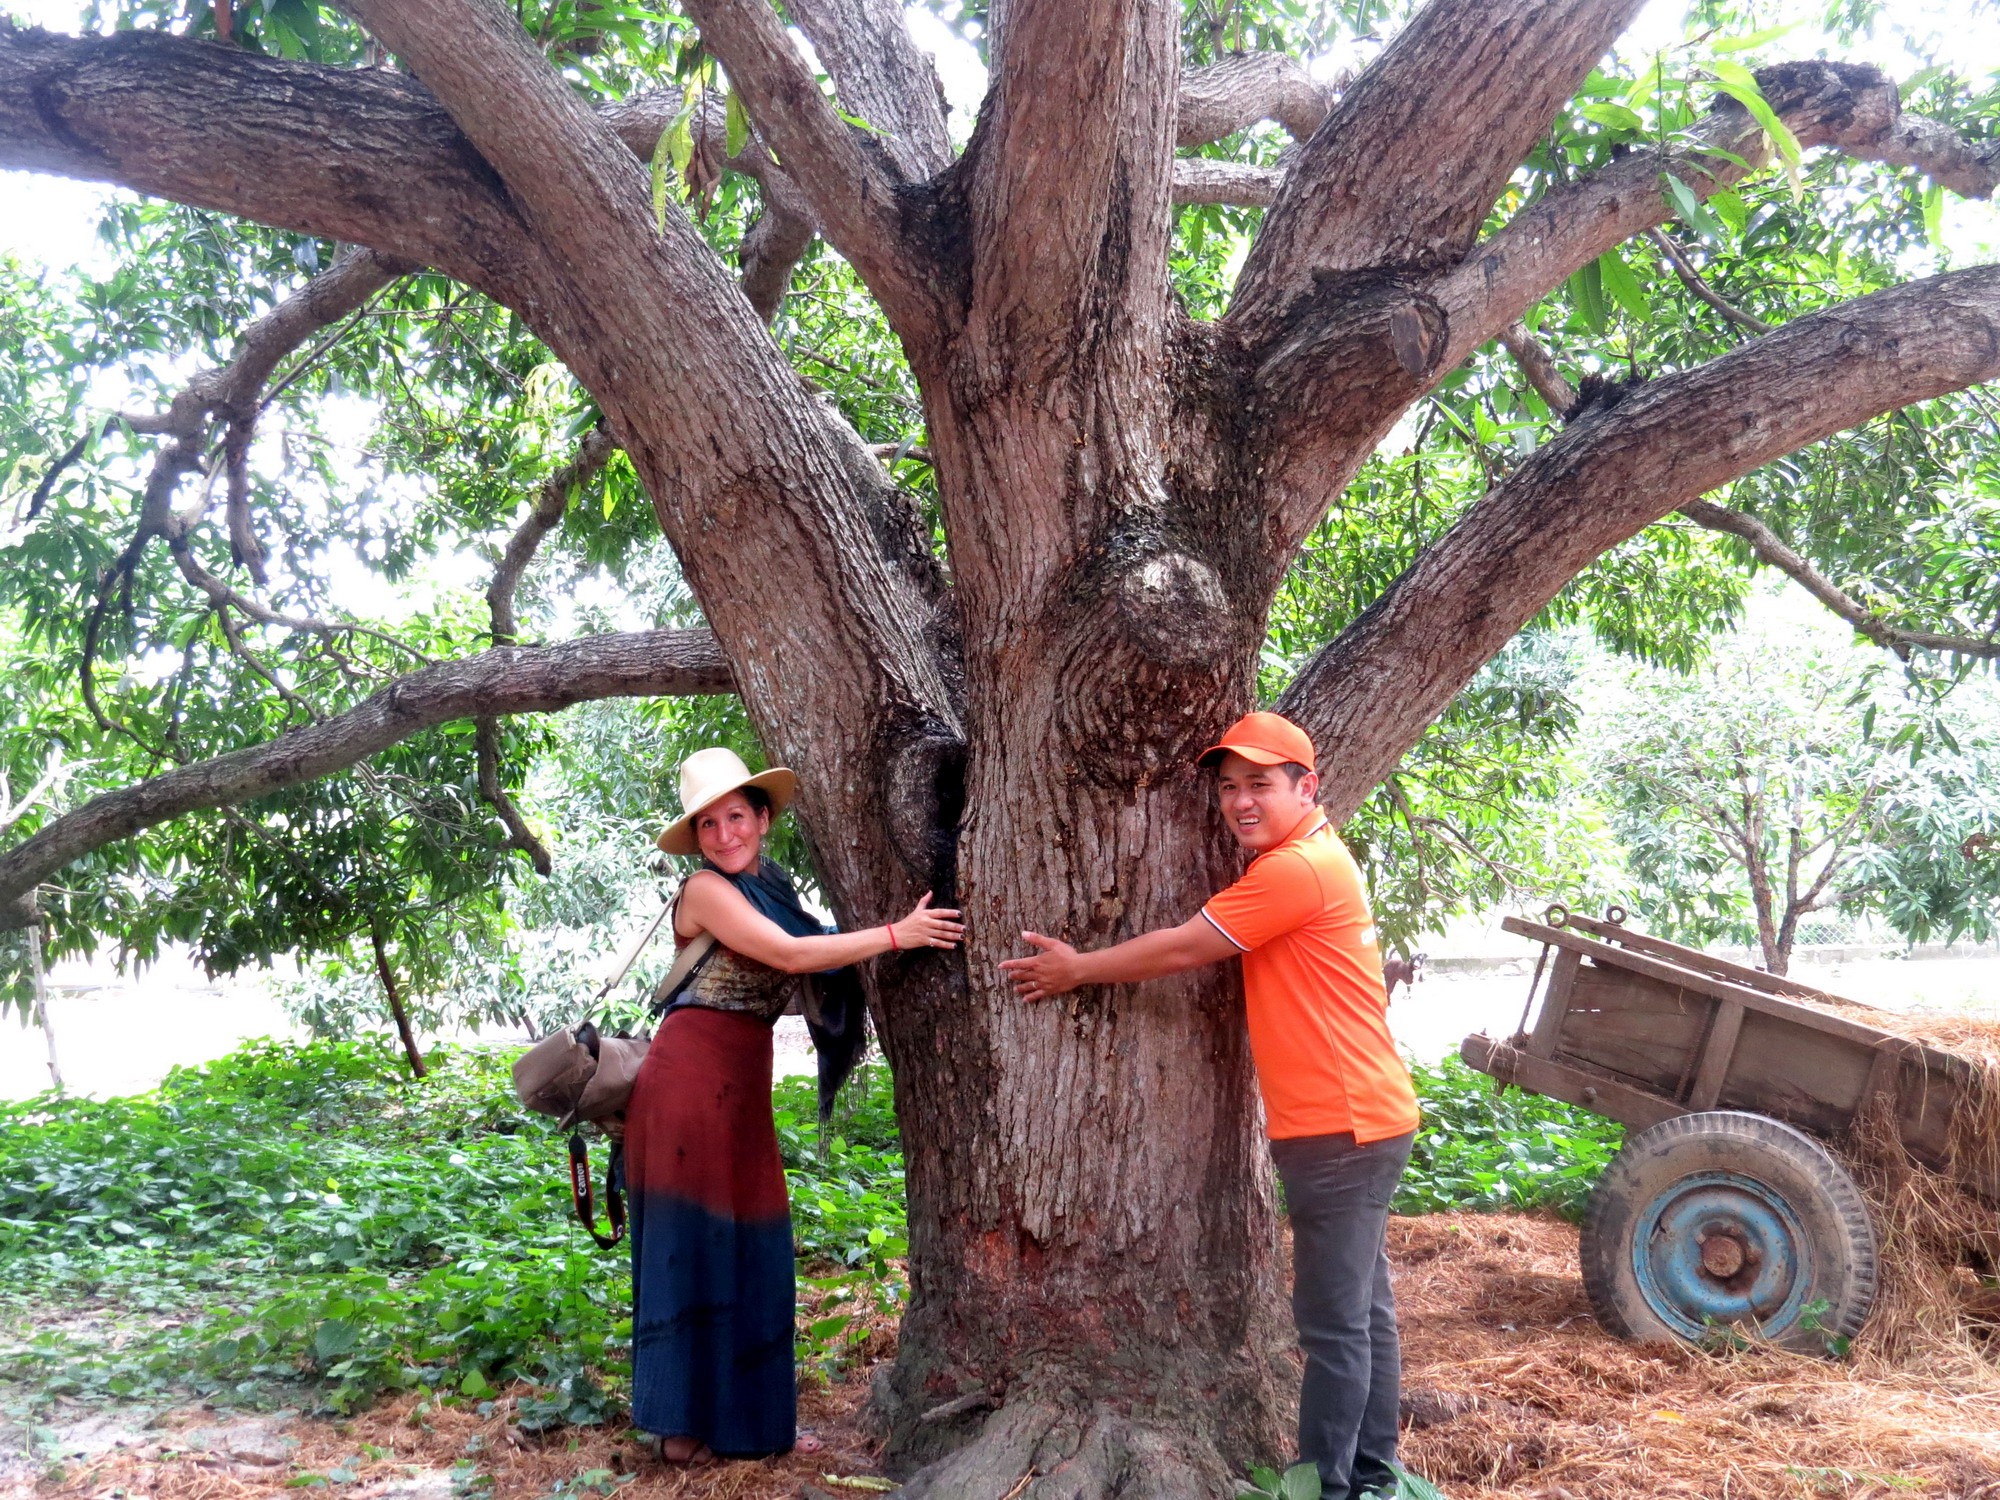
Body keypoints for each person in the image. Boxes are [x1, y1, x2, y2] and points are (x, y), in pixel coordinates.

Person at [999, 711, 1419, 1500]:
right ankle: (1371, 1475)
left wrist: (1079, 969)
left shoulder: (1296, 870)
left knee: (1335, 1325)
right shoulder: (1315, 857)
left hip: (1341, 1127)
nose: (1239, 802)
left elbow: (1188, 945)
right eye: (1228, 788)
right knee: (1363, 1312)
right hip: (1363, 1117)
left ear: (1307, 786)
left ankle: (1329, 1487)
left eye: (1259, 784)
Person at [623, 746, 963, 1464]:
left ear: (763, 817)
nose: (724, 836)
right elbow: (789, 956)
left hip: (740, 1084)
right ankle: (680, 1427)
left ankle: (746, 1424)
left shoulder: (772, 886)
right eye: (708, 825)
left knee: (751, 1245)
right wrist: (898, 934)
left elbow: (811, 951)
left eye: (736, 817)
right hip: (686, 1081)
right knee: (691, 1247)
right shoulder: (704, 892)